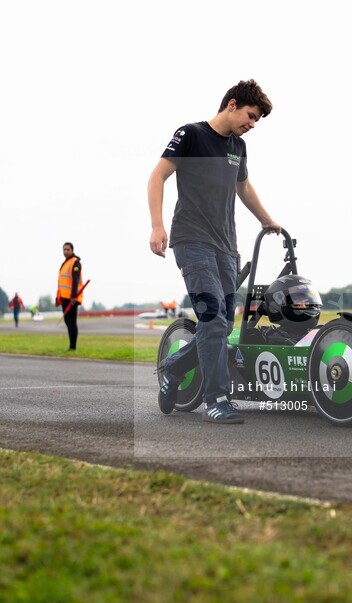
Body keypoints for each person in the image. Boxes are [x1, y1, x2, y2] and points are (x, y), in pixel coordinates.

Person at [148, 79, 281, 424]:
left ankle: (173, 370)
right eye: (251, 116)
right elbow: (158, 176)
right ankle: (216, 399)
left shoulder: (238, 147)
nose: (252, 125)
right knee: (211, 317)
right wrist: (157, 225)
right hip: (192, 240)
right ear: (232, 104)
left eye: (256, 121)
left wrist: (268, 220)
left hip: (226, 246)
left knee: (218, 325)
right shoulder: (190, 135)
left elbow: (244, 187)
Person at [56, 243, 83, 350]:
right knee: (67, 321)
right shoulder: (64, 264)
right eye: (64, 249)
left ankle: (73, 347)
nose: (65, 251)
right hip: (64, 298)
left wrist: (73, 297)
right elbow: (61, 282)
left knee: (72, 322)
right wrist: (57, 298)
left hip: (72, 298)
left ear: (72, 250)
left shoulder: (75, 263)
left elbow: (75, 281)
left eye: (68, 249)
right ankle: (71, 346)